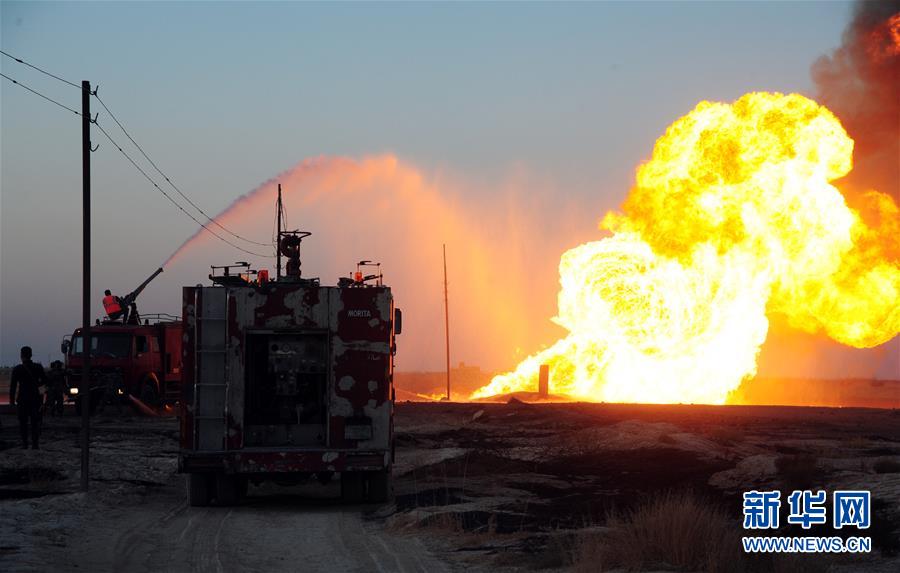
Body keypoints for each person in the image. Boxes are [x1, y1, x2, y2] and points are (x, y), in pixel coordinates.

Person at [10, 346, 47, 449]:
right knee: (35, 423)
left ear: (21, 355)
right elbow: (44, 382)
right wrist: (41, 395)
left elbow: (13, 386)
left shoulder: (17, 369)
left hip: (22, 399)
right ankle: (35, 444)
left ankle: (25, 444)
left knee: (23, 423)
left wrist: (11, 401)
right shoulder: (38, 367)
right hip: (35, 399)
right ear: (31, 355)